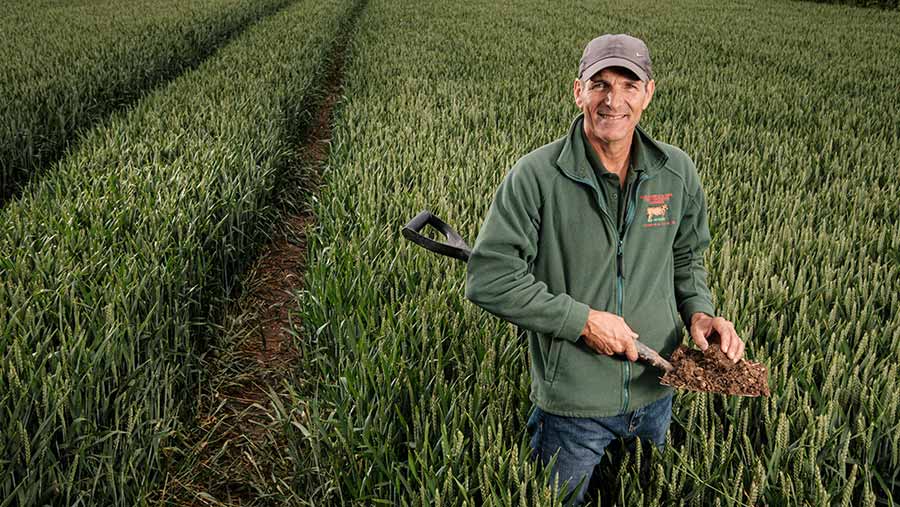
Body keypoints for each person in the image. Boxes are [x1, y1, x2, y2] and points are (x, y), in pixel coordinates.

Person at [464, 33, 745, 505]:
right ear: (579, 91)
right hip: (572, 407)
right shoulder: (536, 176)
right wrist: (583, 322)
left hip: (656, 393)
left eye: (628, 85)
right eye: (600, 84)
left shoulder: (676, 172)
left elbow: (686, 256)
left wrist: (699, 312)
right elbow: (489, 277)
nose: (613, 100)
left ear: (648, 93)